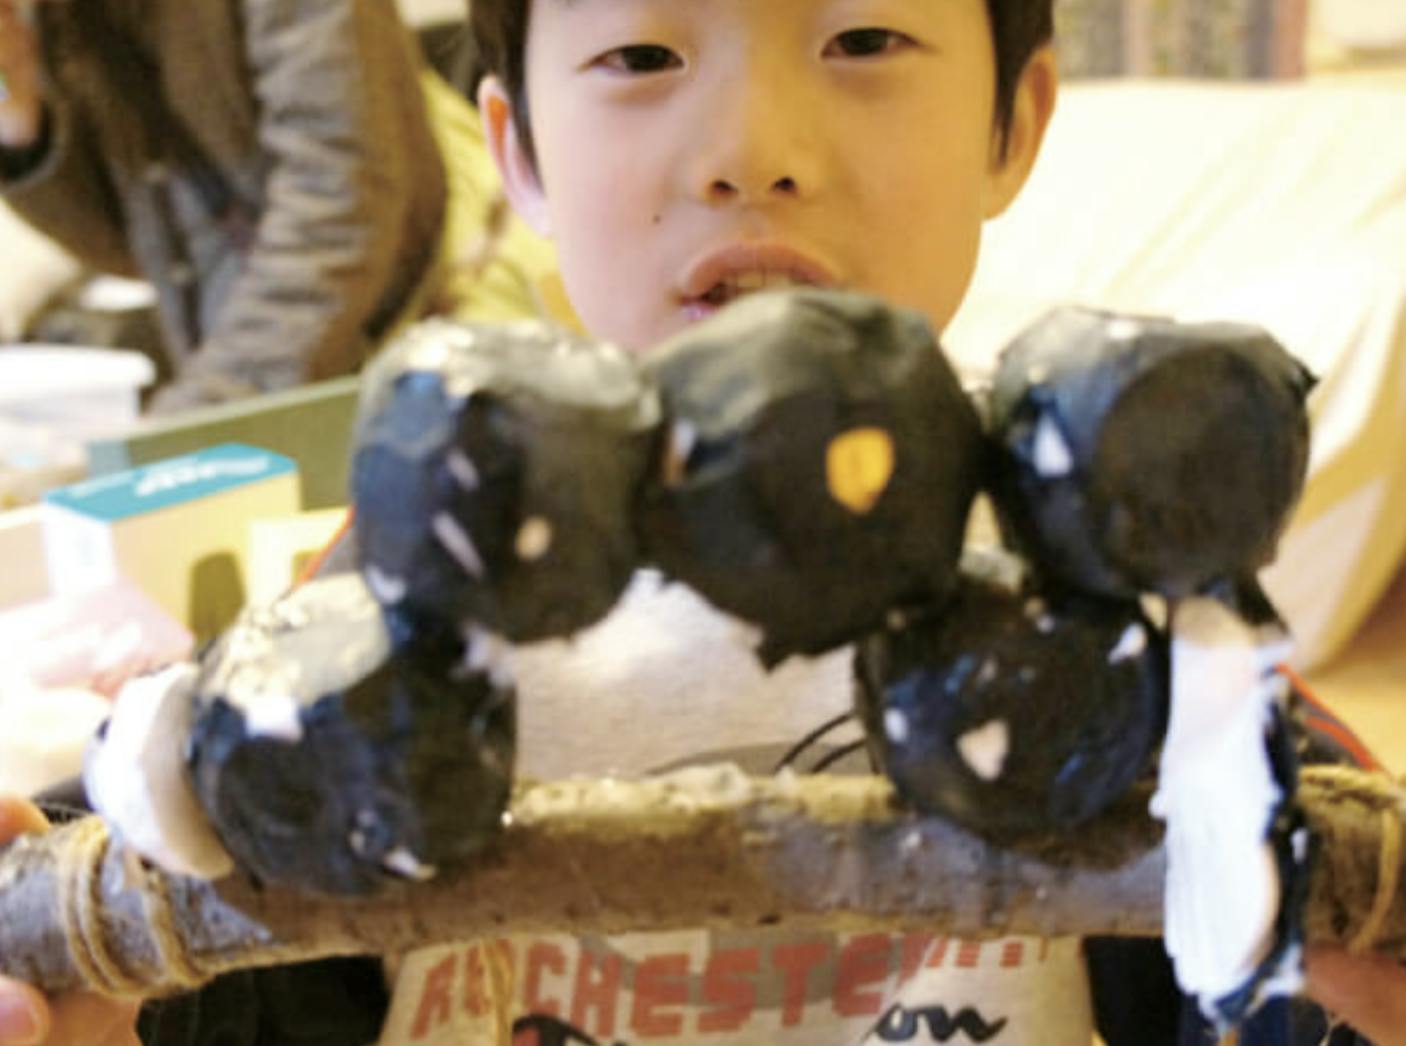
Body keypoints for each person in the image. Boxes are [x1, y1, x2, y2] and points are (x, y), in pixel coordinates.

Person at [0, 1, 1395, 1043]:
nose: (748, 152)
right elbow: (243, 938)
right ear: (519, 152)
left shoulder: (1094, 565)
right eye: (641, 56)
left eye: (861, 39)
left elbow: (1290, 915)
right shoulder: (430, 556)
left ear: (1012, 125)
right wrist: (98, 1001)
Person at [0, 0, 557, 411]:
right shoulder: (68, 17)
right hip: (287, 378)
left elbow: (339, 205)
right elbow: (140, 249)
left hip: (439, 328)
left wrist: (201, 411)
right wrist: (21, 120)